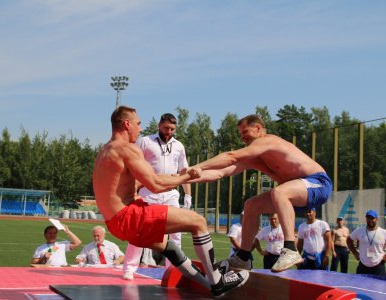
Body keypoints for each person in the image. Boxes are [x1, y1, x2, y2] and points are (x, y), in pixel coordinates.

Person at [92, 106, 248, 297]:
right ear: (127, 124)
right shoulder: (127, 148)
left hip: (115, 221)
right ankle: (217, 281)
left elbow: (121, 185)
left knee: (170, 246)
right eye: (138, 124)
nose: (140, 129)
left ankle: (210, 286)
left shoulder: (105, 150)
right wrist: (186, 177)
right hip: (129, 215)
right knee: (198, 222)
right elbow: (156, 183)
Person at [187, 114, 332, 272]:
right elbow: (222, 172)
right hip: (297, 191)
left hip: (318, 183)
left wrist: (198, 165)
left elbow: (231, 156)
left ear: (258, 129)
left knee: (279, 192)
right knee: (251, 205)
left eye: (245, 132)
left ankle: (291, 249)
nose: (243, 137)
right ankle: (243, 257)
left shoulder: (268, 141)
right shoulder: (257, 157)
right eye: (240, 134)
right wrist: (185, 178)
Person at [123, 113, 192, 280]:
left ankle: (173, 270)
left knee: (176, 232)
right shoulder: (146, 141)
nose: (169, 132)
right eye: (166, 128)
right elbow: (133, 166)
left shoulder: (178, 146)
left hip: (170, 194)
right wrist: (133, 192)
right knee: (139, 230)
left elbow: (184, 171)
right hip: (148, 192)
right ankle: (129, 268)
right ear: (159, 125)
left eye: (172, 129)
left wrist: (188, 195)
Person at [347, 210, 386, 275]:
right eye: (368, 218)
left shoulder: (383, 232)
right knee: (360, 285)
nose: (370, 220)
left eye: (372, 218)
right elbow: (349, 240)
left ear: (376, 219)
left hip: (379, 266)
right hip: (363, 266)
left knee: (379, 285)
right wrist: (355, 253)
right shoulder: (359, 230)